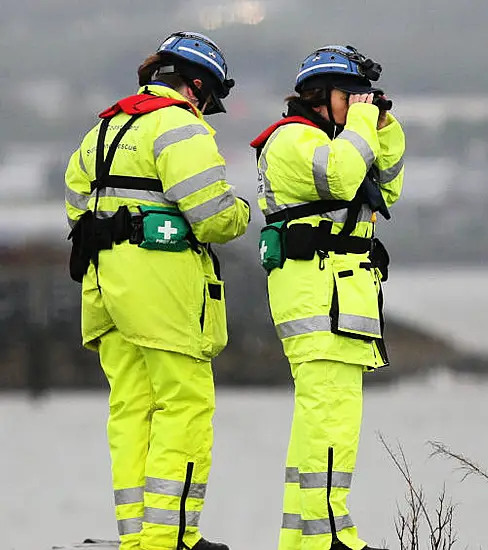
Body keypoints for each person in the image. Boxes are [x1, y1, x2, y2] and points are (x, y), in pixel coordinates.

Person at [64, 31, 251, 550]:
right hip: (162, 290)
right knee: (185, 405)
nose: (207, 109)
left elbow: (77, 206)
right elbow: (213, 216)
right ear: (197, 87)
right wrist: (242, 213)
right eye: (209, 100)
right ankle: (172, 537)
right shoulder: (179, 126)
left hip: (105, 291)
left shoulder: (102, 128)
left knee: (130, 408)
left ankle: (139, 537)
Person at [249, 44, 405, 550]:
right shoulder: (293, 139)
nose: (359, 104)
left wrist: (381, 127)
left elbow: (385, 189)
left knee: (320, 424)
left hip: (340, 300)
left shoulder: (342, 142)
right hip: (318, 300)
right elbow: (340, 177)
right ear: (323, 95)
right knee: (331, 422)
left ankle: (302, 540)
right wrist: (360, 124)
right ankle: (330, 537)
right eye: (351, 95)